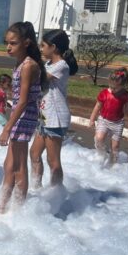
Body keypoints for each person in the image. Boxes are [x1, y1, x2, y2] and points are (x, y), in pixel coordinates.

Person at [0, 21, 47, 213]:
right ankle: (2, 206)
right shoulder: (21, 63)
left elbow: (24, 100)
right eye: (6, 42)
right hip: (21, 114)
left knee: (18, 166)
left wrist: (7, 127)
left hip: (24, 116)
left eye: (13, 43)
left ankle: (18, 211)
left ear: (26, 43)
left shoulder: (28, 65)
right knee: (8, 164)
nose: (8, 47)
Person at [30, 29, 76, 188]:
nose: (41, 48)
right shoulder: (48, 64)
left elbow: (39, 78)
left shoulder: (61, 66)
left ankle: (56, 194)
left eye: (43, 45)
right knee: (34, 154)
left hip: (56, 118)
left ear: (54, 47)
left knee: (53, 161)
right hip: (44, 117)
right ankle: (36, 188)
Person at [89, 67, 128, 166]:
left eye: (115, 88)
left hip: (117, 123)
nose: (112, 89)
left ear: (123, 85)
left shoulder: (125, 95)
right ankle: (102, 154)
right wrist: (92, 119)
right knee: (99, 138)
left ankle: (113, 165)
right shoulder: (105, 93)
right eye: (111, 86)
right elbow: (97, 107)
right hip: (103, 120)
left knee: (115, 146)